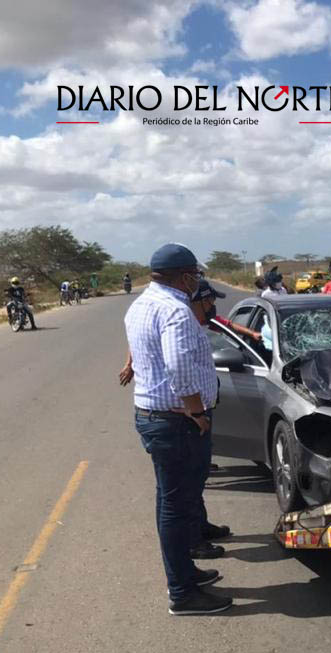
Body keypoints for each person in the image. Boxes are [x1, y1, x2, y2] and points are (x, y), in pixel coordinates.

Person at [124, 243, 231, 616]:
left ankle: (185, 573)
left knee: (172, 501)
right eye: (196, 275)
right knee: (176, 505)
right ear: (185, 277)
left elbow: (142, 354)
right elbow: (179, 367)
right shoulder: (176, 311)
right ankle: (182, 593)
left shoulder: (142, 304)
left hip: (156, 417)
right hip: (178, 421)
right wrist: (197, 412)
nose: (198, 281)